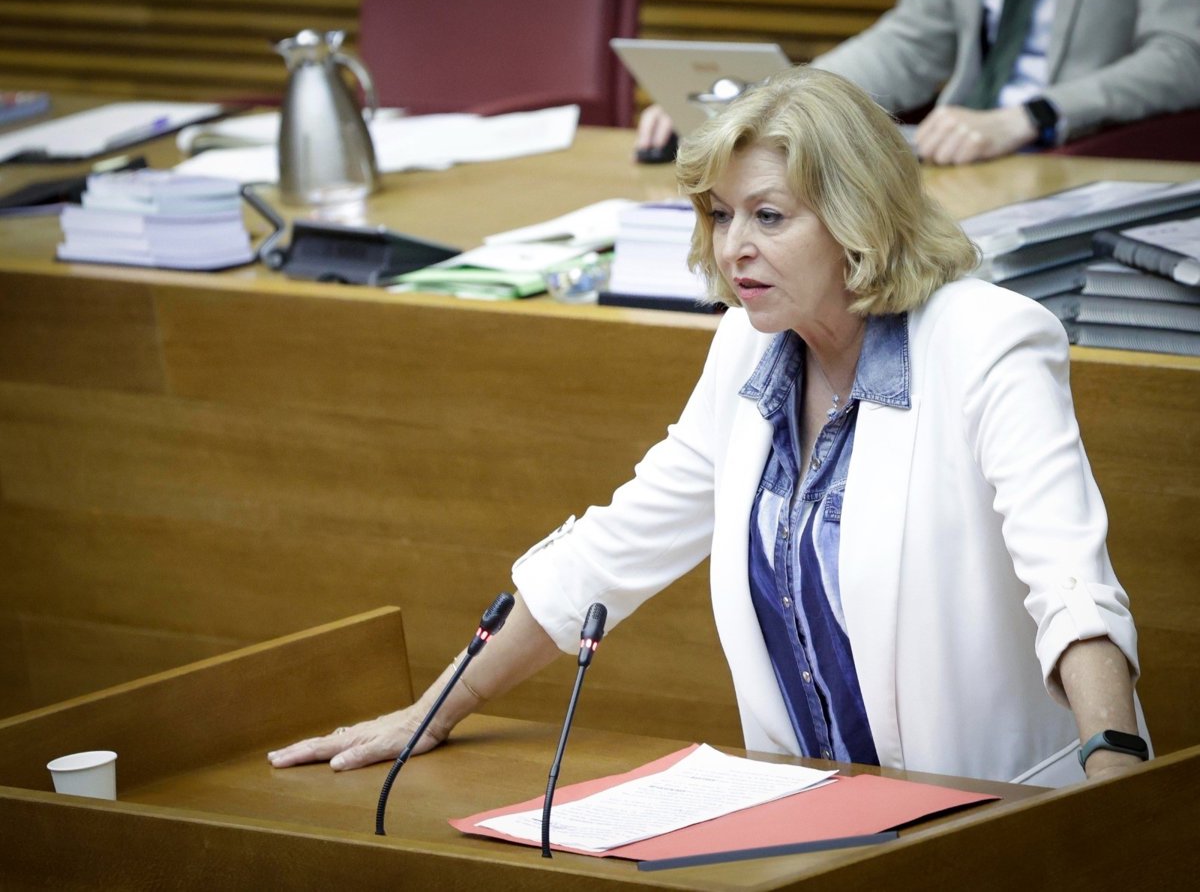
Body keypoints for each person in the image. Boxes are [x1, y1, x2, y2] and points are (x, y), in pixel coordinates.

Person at [269, 66, 1148, 787]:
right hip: (815, 820)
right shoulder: (749, 346)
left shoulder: (986, 340)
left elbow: (1070, 584)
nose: (733, 248)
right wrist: (437, 709)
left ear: (859, 218)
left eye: (768, 215)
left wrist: (1113, 769)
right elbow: (610, 553)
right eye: (721, 215)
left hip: (997, 816)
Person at [636, 0, 1200, 165]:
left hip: (1078, 155)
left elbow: (1183, 58)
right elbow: (906, 44)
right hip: (962, 162)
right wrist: (765, 101)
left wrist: (1031, 116)